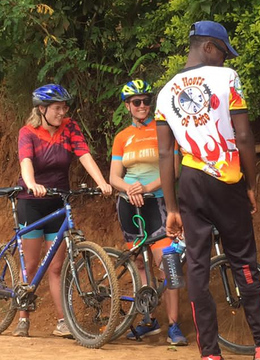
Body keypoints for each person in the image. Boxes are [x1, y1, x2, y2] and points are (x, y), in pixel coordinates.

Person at [155, 21, 260, 360]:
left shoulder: (166, 92)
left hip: (190, 183)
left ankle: (210, 355)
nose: (225, 59)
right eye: (223, 52)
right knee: (243, 260)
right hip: (227, 178)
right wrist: (252, 185)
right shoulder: (228, 79)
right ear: (208, 47)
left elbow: (165, 156)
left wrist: (172, 207)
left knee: (197, 266)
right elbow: (243, 135)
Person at [13, 83, 113, 338]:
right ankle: (23, 317)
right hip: (32, 201)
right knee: (33, 264)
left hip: (58, 199)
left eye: (64, 107)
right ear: (42, 109)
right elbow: (26, 162)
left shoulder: (70, 127)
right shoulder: (28, 132)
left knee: (57, 267)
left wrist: (101, 182)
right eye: (57, 108)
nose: (62, 112)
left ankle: (62, 321)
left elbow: (84, 155)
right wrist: (32, 184)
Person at [109, 80, 188, 346]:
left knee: (168, 263)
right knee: (140, 264)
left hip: (157, 202)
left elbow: (174, 171)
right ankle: (148, 320)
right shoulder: (122, 137)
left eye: (146, 101)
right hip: (129, 204)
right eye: (136, 102)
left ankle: (174, 325)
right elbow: (113, 177)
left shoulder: (164, 129)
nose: (142, 106)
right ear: (127, 106)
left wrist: (148, 188)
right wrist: (130, 189)